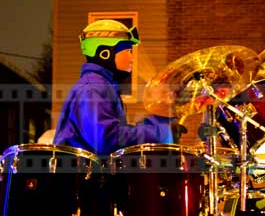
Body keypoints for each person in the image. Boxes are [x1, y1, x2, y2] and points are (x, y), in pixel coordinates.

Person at [54, 19, 175, 156]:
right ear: (105, 53)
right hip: (82, 176)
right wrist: (161, 133)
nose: (132, 58)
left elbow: (117, 132)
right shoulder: (92, 88)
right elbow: (106, 139)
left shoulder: (102, 86)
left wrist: (162, 122)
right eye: (128, 51)